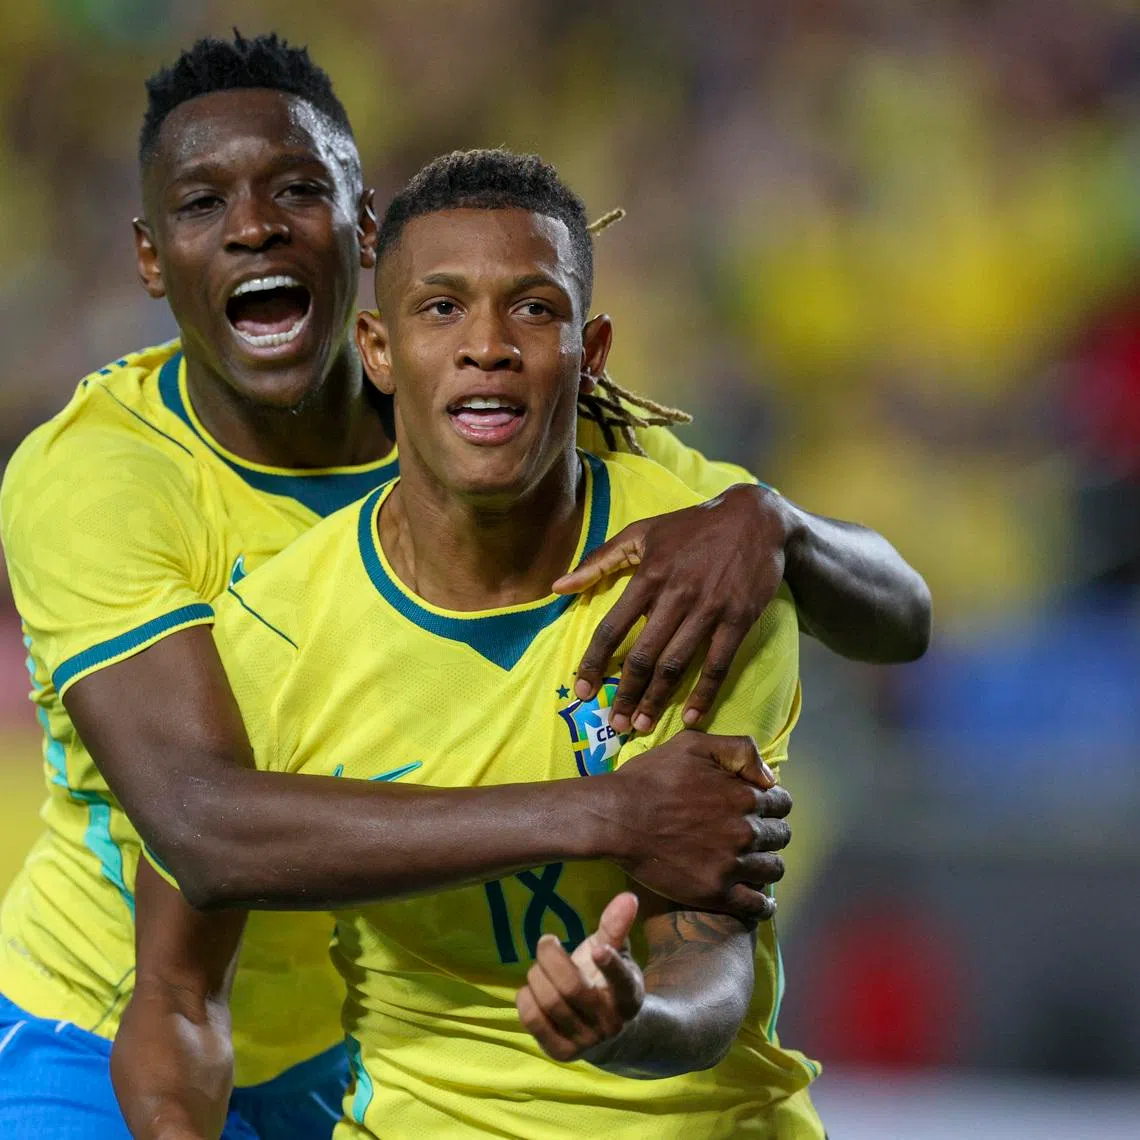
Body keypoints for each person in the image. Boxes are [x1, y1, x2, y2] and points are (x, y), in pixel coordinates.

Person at [0, 32, 926, 1139]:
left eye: (298, 190)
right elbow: (201, 826)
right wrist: (607, 815)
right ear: (151, 260)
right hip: (106, 1022)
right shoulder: (106, 482)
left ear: (363, 229)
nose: (253, 227)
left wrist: (775, 526)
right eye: (204, 204)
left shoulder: (521, 426)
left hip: (360, 1048)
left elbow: (903, 619)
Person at [114, 146, 825, 1140]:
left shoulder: (699, 583)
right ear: (377, 348)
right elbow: (176, 997)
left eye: (532, 308)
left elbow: (709, 965)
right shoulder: (270, 634)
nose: (487, 345)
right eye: (441, 308)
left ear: (592, 350)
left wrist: (630, 1022)